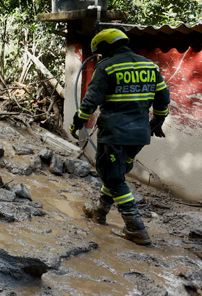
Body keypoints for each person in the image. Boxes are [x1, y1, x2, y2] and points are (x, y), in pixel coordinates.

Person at [70, 29, 170, 245]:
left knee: (113, 177)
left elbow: (91, 100)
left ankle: (136, 228)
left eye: (100, 51)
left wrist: (78, 121)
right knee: (114, 172)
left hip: (115, 133)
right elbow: (163, 98)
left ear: (107, 47)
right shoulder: (150, 66)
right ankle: (99, 213)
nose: (100, 56)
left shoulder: (107, 66)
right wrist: (157, 122)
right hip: (140, 135)